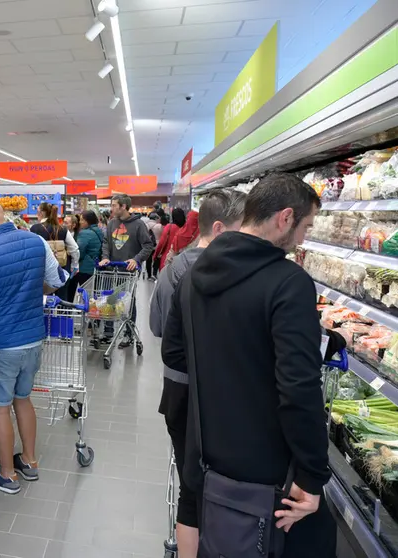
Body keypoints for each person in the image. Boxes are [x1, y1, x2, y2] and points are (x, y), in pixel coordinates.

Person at [161, 173, 333, 557]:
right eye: (305, 226)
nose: (304, 238)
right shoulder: (290, 283)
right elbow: (299, 387)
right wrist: (311, 474)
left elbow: (174, 354)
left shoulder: (191, 276)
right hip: (267, 466)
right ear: (285, 218)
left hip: (208, 451)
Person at [149, 189, 247, 558]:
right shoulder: (238, 271)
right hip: (222, 394)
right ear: (220, 228)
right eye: (243, 228)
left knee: (192, 480)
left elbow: (158, 326)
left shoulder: (175, 268)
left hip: (179, 389)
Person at [0, 197, 66, 495]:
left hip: (0, 343)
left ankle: (6, 474)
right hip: (33, 337)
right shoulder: (36, 242)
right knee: (23, 398)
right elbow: (56, 280)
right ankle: (30, 461)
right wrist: (31, 295)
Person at [99, 194, 155, 347]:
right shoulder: (111, 224)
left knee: (128, 302)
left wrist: (136, 259)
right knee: (109, 300)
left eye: (114, 205)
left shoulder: (138, 225)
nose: (111, 208)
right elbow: (106, 242)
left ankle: (128, 334)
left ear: (123, 206)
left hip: (128, 272)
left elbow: (148, 246)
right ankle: (108, 333)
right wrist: (105, 257)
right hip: (111, 269)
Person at [30, 202, 79, 295]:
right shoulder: (63, 229)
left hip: (42, 270)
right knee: (62, 298)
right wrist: (74, 265)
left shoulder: (34, 229)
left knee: (44, 299)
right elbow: (74, 248)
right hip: (62, 269)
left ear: (41, 213)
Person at [66, 210, 104, 302]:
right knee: (90, 293)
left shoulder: (85, 233)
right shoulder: (99, 230)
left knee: (72, 290)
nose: (80, 222)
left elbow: (79, 252)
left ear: (87, 221)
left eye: (82, 220)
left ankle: (74, 310)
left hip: (84, 268)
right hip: (94, 266)